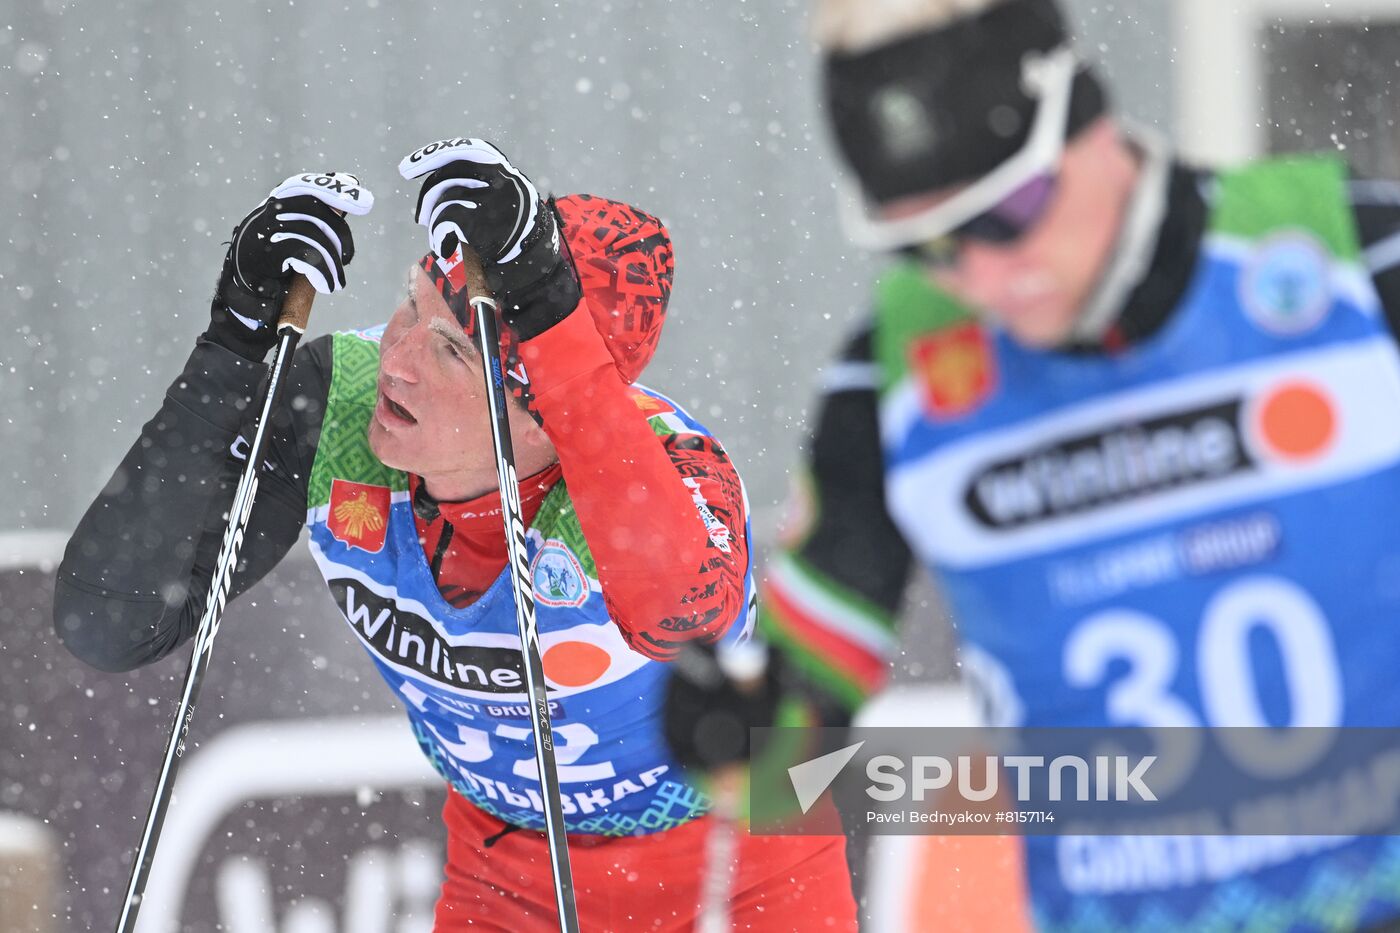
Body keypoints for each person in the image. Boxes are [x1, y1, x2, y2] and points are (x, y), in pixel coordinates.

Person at [53, 138, 857, 931]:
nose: (396, 358)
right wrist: (232, 346)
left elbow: (683, 613)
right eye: (410, 304)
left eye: (447, 347)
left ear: (547, 407)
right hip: (508, 869)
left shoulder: (669, 472)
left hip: (751, 854)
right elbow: (110, 622)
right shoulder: (342, 404)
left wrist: (548, 309)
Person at [753, 0, 1400, 929]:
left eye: (1010, 211)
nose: (984, 276)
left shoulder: (1355, 260)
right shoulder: (896, 378)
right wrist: (723, 734)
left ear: (1086, 114)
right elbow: (778, 757)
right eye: (927, 246)